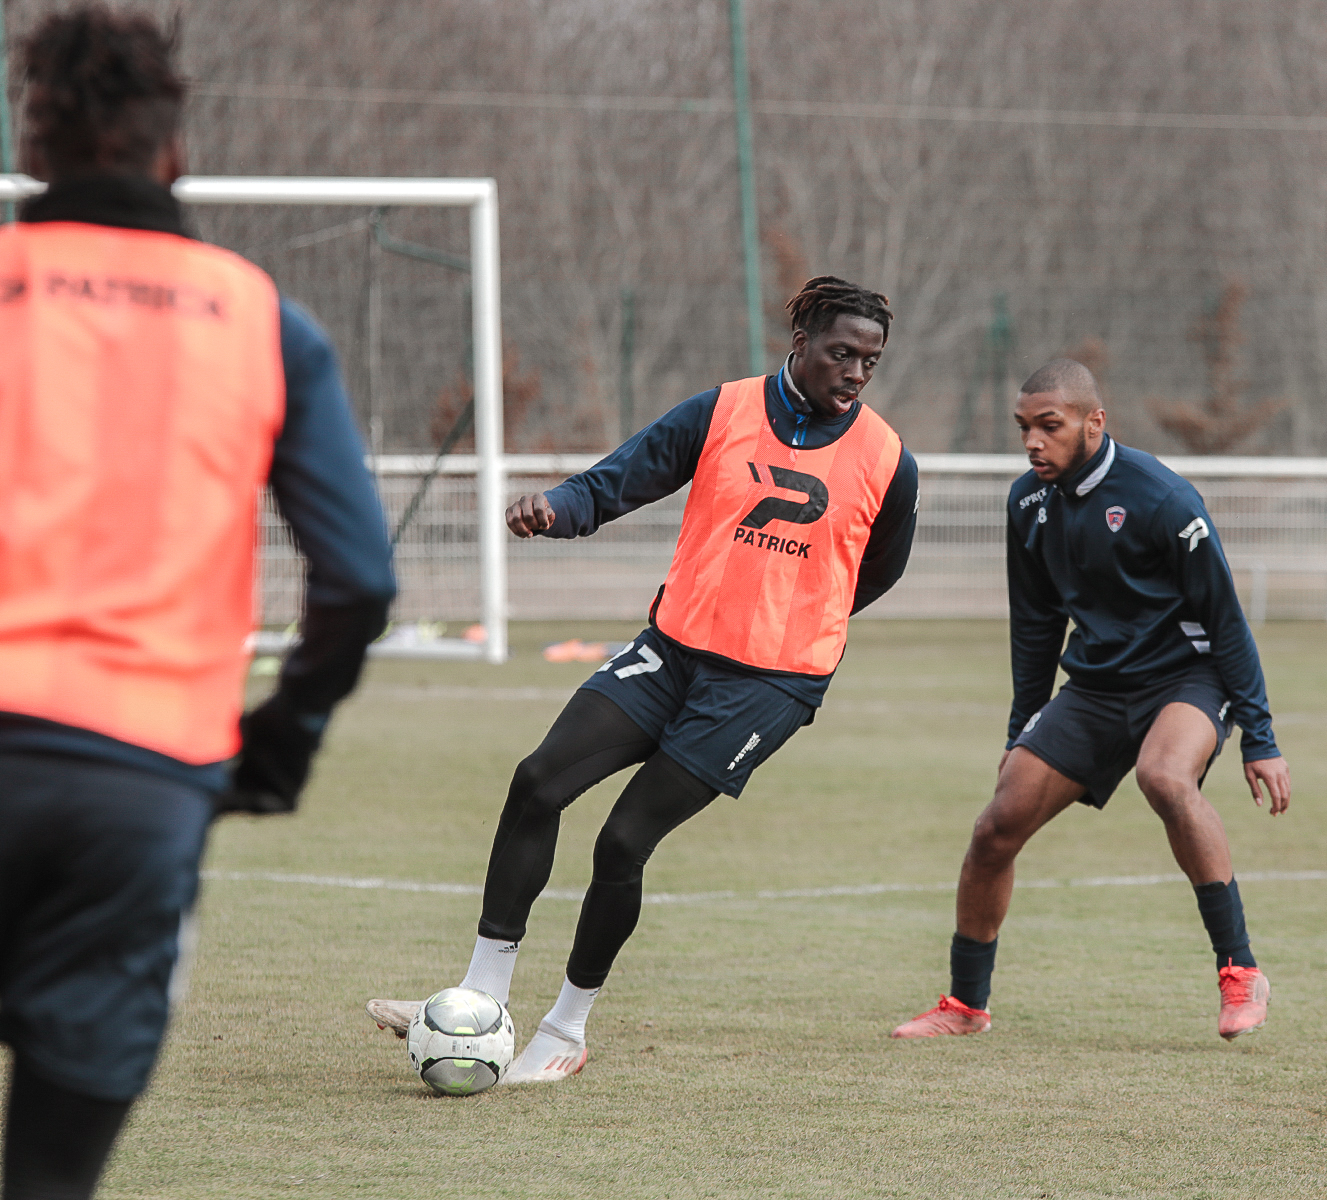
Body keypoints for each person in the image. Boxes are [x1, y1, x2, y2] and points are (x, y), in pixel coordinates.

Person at [0, 8, 395, 1198]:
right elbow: (361, 580)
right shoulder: (261, 318)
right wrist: (275, 746)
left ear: (31, 141)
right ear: (177, 152)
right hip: (139, 783)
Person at [365, 276, 919, 1082]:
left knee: (623, 840)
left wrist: (803, 619)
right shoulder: (721, 411)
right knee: (538, 781)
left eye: (870, 361)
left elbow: (878, 570)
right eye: (842, 353)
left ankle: (565, 1031)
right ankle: (478, 999)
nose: (855, 374)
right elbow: (619, 478)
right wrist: (556, 507)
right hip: (674, 649)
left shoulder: (888, 460)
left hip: (767, 686)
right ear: (800, 342)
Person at [891, 359, 1291, 1042]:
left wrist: (1261, 736)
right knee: (996, 828)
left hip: (1186, 678)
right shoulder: (1026, 504)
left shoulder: (1163, 498)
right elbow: (1036, 626)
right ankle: (965, 1006)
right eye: (1025, 428)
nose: (1033, 442)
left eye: (1050, 426)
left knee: (1163, 776)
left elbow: (1225, 620)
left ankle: (1239, 970)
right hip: (1097, 688)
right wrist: (1021, 731)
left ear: (1094, 422)